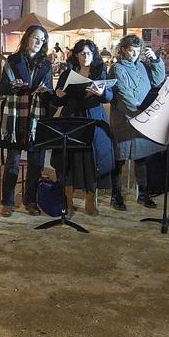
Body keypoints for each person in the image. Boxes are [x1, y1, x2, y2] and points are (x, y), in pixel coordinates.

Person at [51, 39, 115, 215]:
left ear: (93, 55)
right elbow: (57, 100)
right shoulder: (67, 74)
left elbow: (109, 96)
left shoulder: (100, 71)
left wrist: (103, 93)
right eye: (81, 53)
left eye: (88, 53)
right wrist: (58, 94)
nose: (85, 56)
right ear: (76, 55)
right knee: (69, 159)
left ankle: (90, 200)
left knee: (91, 159)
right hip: (71, 118)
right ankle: (68, 201)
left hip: (93, 118)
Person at [0, 26, 54, 216]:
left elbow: (50, 92)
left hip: (38, 118)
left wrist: (46, 92)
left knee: (36, 162)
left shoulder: (45, 64)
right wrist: (13, 87)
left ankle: (31, 200)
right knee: (13, 161)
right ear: (27, 38)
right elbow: (1, 88)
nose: (38, 42)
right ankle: (8, 202)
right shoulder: (13, 60)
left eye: (42, 40)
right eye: (35, 38)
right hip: (15, 118)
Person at [110, 34, 168, 209]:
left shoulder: (143, 66)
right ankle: (116, 195)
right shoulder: (117, 68)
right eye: (130, 50)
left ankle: (143, 193)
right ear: (123, 50)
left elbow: (158, 80)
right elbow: (123, 92)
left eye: (137, 50)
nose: (134, 54)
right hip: (124, 119)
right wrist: (139, 111)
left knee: (141, 157)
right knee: (119, 159)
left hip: (142, 118)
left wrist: (156, 60)